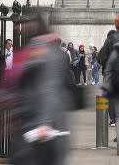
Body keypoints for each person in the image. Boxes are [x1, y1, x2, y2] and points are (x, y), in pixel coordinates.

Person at [7, 15, 72, 165]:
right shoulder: (36, 49)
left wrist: (45, 122)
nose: (18, 29)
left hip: (43, 125)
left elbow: (49, 87)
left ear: (34, 26)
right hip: (32, 121)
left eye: (22, 25)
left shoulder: (47, 51)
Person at [99, 16, 119, 125]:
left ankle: (113, 119)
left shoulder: (109, 39)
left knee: (110, 97)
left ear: (116, 26)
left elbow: (103, 57)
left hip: (111, 73)